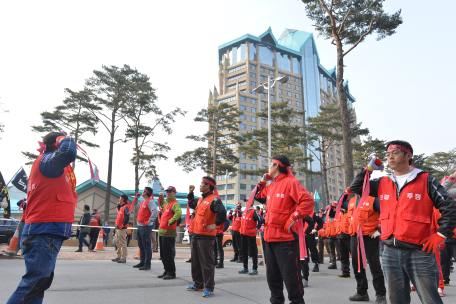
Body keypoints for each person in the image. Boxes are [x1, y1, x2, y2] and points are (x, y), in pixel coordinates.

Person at [349, 140, 456, 304]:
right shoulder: (383, 182)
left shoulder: (426, 180)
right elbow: (356, 187)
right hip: (390, 252)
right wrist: (368, 169)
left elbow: (449, 205)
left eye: (395, 153)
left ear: (408, 155)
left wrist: (441, 234)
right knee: (397, 300)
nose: (390, 157)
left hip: (419, 252)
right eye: (387, 154)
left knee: (430, 299)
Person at [7, 132, 77, 304]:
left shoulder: (49, 165)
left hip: (46, 230)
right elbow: (69, 152)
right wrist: (66, 139)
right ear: (56, 143)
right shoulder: (47, 161)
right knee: (34, 283)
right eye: (61, 140)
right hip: (44, 230)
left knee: (39, 285)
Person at [254, 154, 314, 304]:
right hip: (269, 238)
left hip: (286, 239)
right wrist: (262, 181)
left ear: (276, 166)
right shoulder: (271, 186)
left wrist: (293, 217)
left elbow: (308, 201)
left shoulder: (291, 183)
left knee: (291, 277)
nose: (268, 167)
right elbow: (257, 195)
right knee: (272, 277)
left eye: (270, 164)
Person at [338, 192, 386, 302]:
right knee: (357, 265)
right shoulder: (352, 201)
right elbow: (341, 203)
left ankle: (380, 294)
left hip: (370, 236)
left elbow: (387, 213)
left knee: (375, 266)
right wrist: (347, 192)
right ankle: (362, 292)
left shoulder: (374, 200)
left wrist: (380, 230)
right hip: (355, 236)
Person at [186, 177, 227, 297]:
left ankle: (209, 287)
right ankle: (198, 284)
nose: (200, 186)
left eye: (202, 184)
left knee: (207, 263)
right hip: (196, 234)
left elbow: (222, 213)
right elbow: (192, 204)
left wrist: (215, 225)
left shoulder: (214, 200)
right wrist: (190, 193)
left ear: (208, 186)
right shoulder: (200, 200)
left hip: (206, 236)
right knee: (196, 261)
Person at [157, 186, 182, 280]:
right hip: (162, 231)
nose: (168, 193)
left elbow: (178, 213)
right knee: (163, 254)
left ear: (174, 193)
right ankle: (167, 270)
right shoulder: (168, 203)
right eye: (167, 192)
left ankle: (171, 272)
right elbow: (163, 204)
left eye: (170, 192)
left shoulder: (175, 203)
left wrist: (171, 221)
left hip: (169, 232)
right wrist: (161, 198)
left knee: (168, 254)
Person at [133, 187, 159, 271]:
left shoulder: (150, 201)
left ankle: (147, 264)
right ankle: (142, 262)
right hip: (140, 225)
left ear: (146, 193)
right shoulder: (143, 201)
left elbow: (155, 211)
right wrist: (136, 199)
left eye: (143, 191)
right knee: (141, 245)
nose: (142, 192)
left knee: (146, 245)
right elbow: (136, 206)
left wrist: (149, 221)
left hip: (145, 226)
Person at [439, 172, 456, 290]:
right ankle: (445, 279)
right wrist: (453, 177)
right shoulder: (447, 197)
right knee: (444, 260)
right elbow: (442, 189)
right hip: (445, 235)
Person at [238, 204, 262, 275]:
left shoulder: (254, 211)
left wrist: (256, 229)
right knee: (244, 251)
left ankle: (255, 269)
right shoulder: (244, 211)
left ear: (252, 203)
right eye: (245, 201)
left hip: (251, 234)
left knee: (253, 252)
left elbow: (260, 220)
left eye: (248, 201)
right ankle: (245, 268)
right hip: (243, 233)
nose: (246, 203)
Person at [112, 194, 131, 263]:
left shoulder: (126, 207)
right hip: (118, 227)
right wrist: (118, 205)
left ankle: (123, 257)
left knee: (122, 243)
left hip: (121, 228)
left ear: (123, 200)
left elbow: (127, 217)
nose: (119, 200)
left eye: (120, 199)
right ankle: (118, 256)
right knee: (118, 242)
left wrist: (123, 225)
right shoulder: (122, 207)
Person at [301, 215, 315, 288]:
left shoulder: (299, 211)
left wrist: (306, 232)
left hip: (300, 238)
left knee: (303, 260)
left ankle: (305, 279)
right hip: (289, 239)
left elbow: (311, 221)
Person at [325, 203, 338, 269]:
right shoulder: (327, 218)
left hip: (336, 237)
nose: (327, 212)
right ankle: (333, 264)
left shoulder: (337, 217)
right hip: (329, 236)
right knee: (331, 251)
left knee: (339, 251)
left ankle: (343, 265)